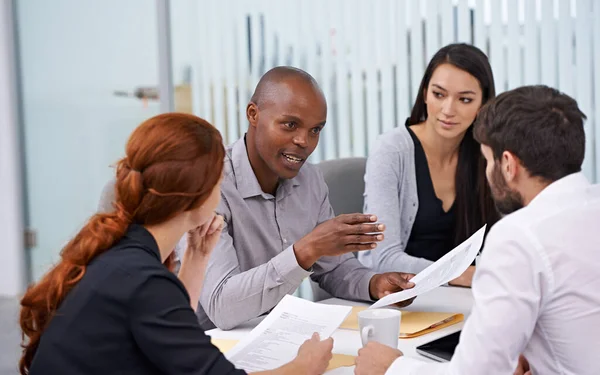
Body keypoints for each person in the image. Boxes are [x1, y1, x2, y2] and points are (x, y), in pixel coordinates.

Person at [19, 113, 334, 375]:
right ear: (201, 193)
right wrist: (303, 367)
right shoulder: (144, 280)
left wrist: (197, 257)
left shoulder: (123, 252)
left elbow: (174, 330)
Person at [354, 85, 600, 374]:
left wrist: (390, 368)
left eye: (488, 160)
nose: (486, 170)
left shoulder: (519, 237)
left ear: (508, 164)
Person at [197, 66, 416, 330]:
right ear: (253, 114)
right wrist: (306, 250)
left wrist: (374, 284)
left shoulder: (310, 180)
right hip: (208, 347)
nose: (304, 141)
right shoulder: (207, 184)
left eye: (315, 130)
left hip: (273, 337)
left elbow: (334, 269)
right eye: (290, 125)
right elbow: (222, 307)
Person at [359, 43, 499, 287]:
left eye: (465, 99)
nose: (448, 110)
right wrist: (464, 276)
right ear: (425, 93)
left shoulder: (487, 154)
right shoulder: (391, 151)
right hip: (403, 301)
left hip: (462, 301)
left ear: (482, 105)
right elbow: (385, 259)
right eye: (439, 94)